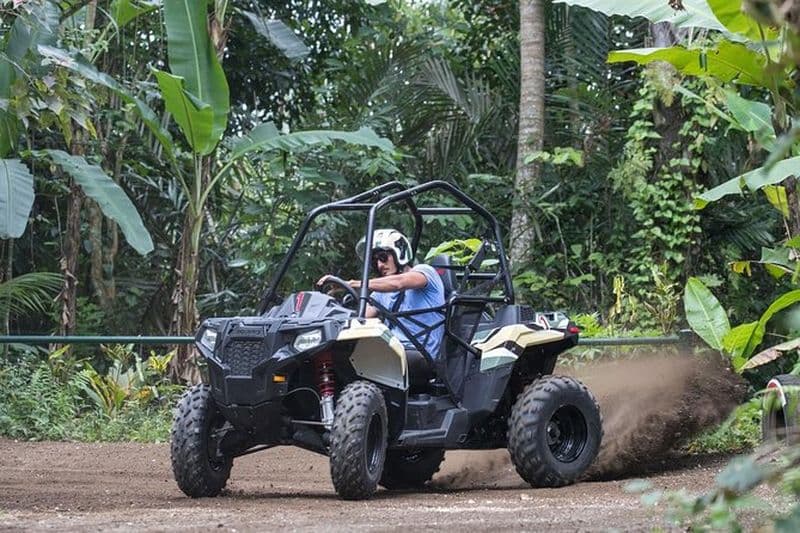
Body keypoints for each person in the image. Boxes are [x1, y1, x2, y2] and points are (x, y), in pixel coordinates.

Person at [318, 228, 445, 359]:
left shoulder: (425, 272)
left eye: (383, 258)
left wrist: (353, 283)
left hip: (419, 353)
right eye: (375, 261)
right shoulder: (381, 293)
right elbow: (361, 319)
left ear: (399, 253)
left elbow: (398, 283)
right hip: (391, 349)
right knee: (335, 353)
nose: (379, 265)